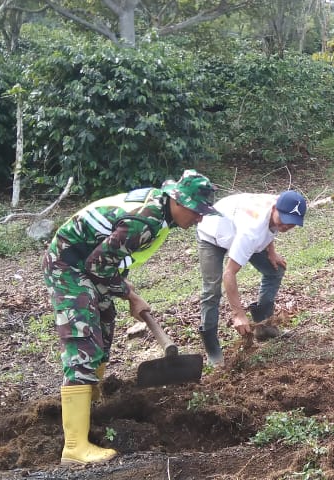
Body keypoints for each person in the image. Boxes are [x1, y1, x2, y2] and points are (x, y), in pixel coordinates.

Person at [42, 169, 220, 465]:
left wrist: (124, 288)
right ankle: (74, 446)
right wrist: (129, 293)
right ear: (178, 200)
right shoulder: (145, 221)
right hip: (69, 266)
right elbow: (97, 265)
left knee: (104, 330)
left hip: (88, 264)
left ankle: (90, 402)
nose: (199, 219)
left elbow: (110, 254)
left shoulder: (161, 212)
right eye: (196, 211)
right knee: (84, 345)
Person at [195, 190, 307, 365]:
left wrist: (271, 252)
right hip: (213, 234)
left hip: (238, 228)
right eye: (284, 219)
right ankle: (212, 349)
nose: (286, 226)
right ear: (275, 208)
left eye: (292, 223)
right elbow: (229, 273)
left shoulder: (276, 207)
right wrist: (238, 314)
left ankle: (263, 326)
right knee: (212, 290)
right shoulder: (252, 230)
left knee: (275, 270)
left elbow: (271, 228)